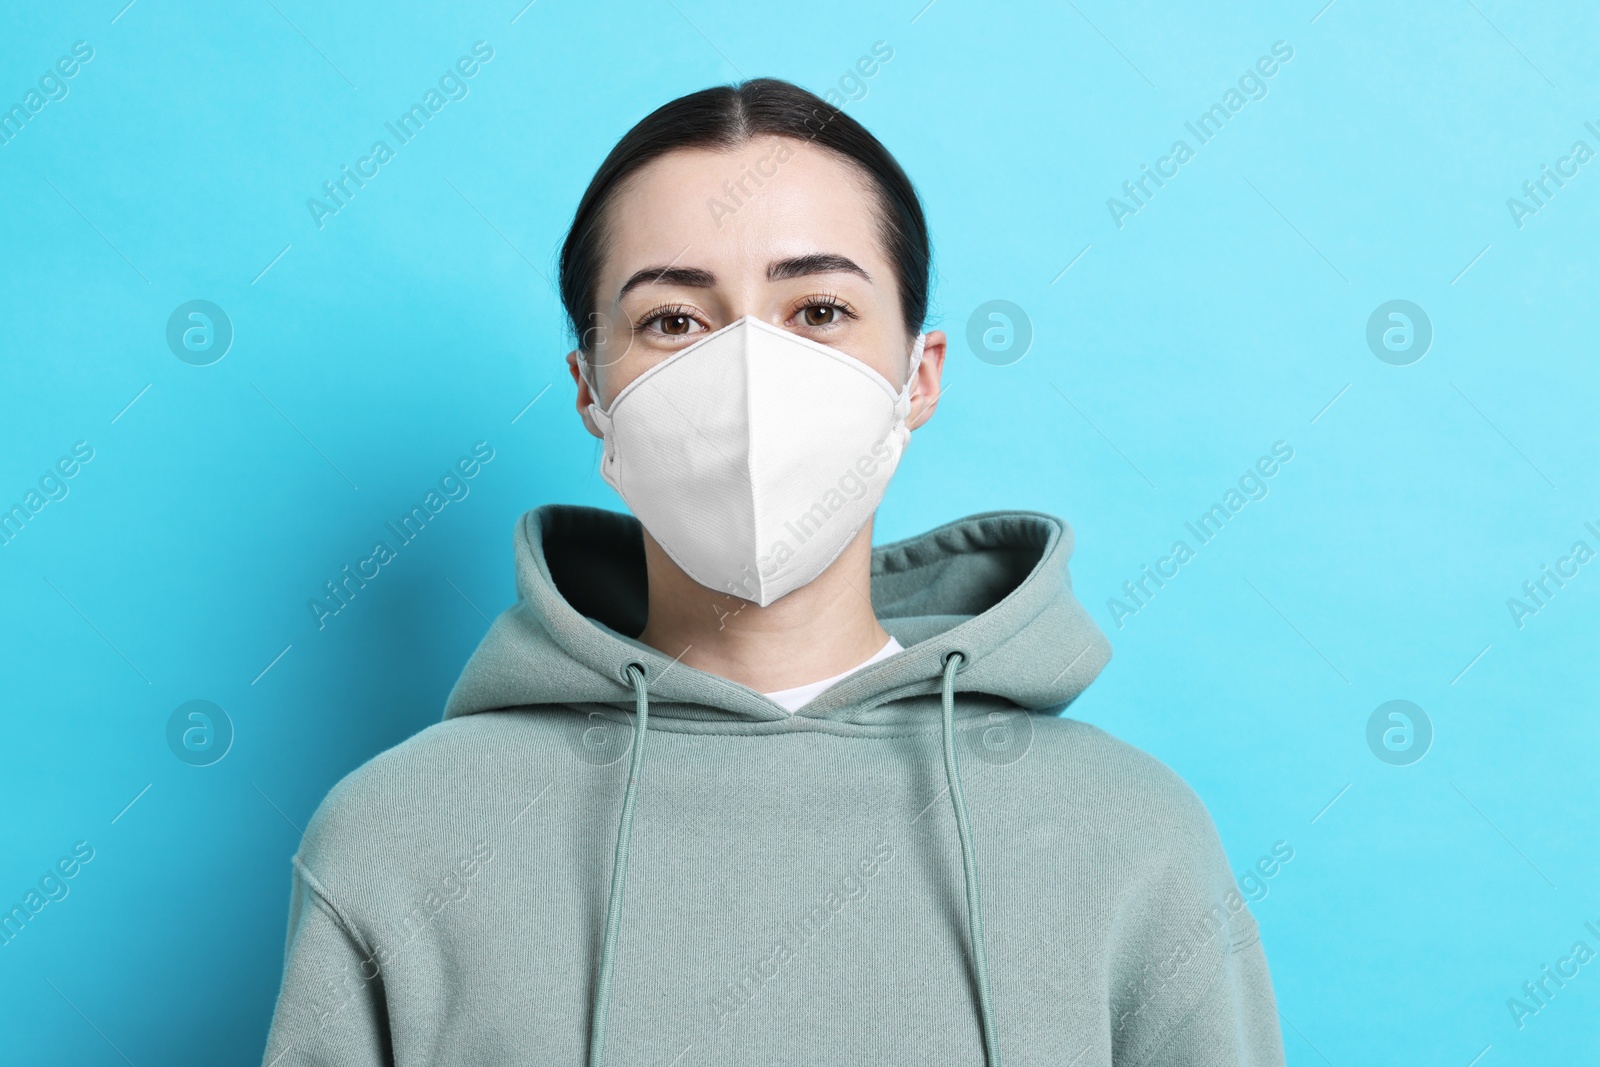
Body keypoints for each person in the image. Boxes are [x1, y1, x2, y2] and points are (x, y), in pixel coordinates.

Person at [261, 78, 1286, 1067]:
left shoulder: (1132, 839)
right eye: (672, 320)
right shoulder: (397, 839)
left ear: (916, 377)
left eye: (819, 311)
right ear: (590, 388)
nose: (750, 371)